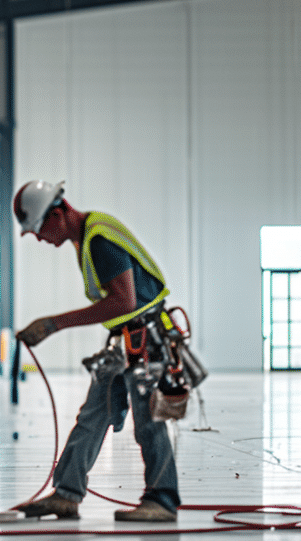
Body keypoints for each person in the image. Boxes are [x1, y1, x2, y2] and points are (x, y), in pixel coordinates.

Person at [11, 180, 180, 523]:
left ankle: (161, 500)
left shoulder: (99, 238)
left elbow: (124, 300)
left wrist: (54, 324)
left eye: (40, 229)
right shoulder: (86, 236)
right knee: (92, 416)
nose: (41, 238)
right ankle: (66, 495)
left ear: (58, 214)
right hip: (126, 341)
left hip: (146, 338)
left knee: (149, 422)